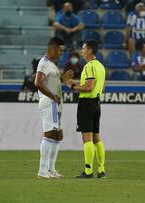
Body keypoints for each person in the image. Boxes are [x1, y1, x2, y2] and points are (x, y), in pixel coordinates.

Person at [65, 40, 106, 179]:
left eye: (83, 48)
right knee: (96, 138)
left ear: (89, 50)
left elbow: (89, 87)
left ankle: (88, 171)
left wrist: (72, 85)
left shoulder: (89, 67)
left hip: (87, 104)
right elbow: (102, 88)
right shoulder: (101, 66)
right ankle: (101, 170)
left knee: (87, 138)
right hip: (97, 103)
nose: (82, 51)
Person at [34, 37, 74, 179]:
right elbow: (38, 83)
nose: (61, 54)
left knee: (58, 135)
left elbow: (51, 82)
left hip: (55, 103)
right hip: (49, 102)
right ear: (53, 49)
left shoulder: (52, 64)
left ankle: (51, 169)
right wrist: (52, 96)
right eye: (60, 50)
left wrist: (63, 78)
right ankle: (42, 171)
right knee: (50, 134)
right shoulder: (44, 63)